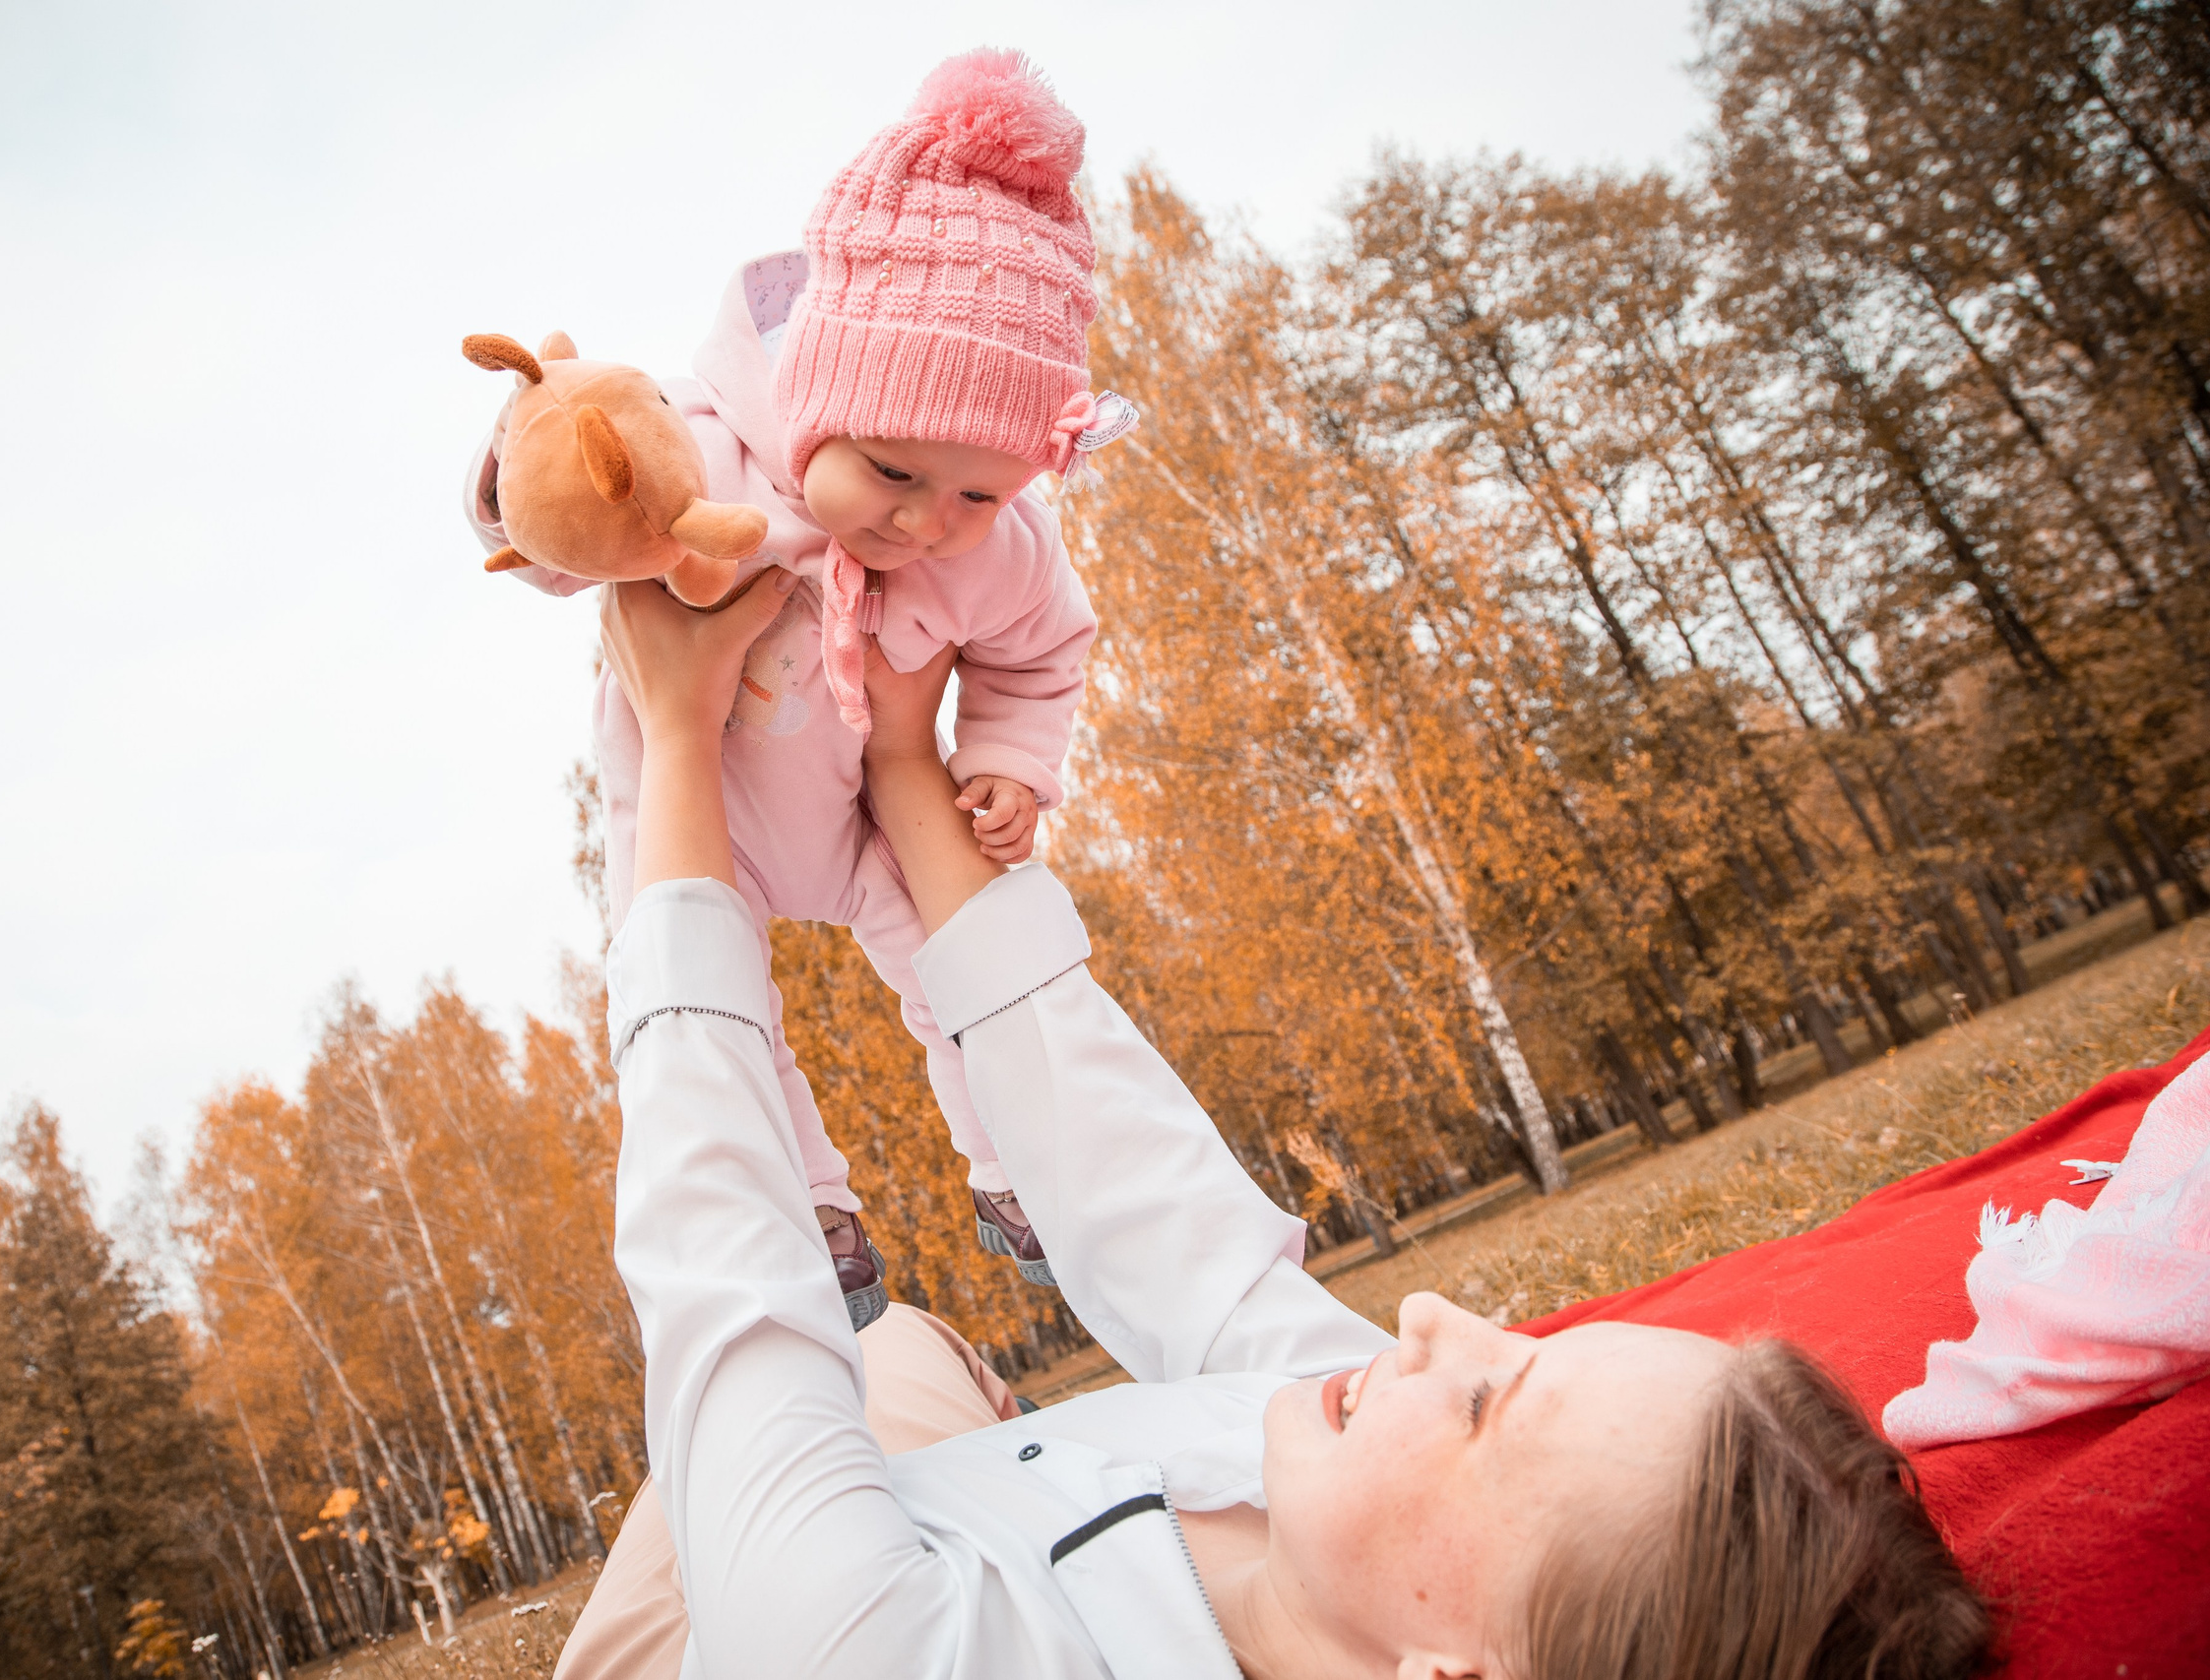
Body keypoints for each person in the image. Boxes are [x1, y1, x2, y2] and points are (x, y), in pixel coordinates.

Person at [557, 571, 1993, 1680]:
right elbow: (1164, 1221)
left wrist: (677, 741)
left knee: (813, 1373)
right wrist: (905, 767)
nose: (1433, 1318)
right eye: (1524, 1349)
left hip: (715, 1623)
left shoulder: (881, 1657)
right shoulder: (1358, 1501)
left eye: (1492, 1404)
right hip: (937, 1496)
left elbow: (731, 1285)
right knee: (899, 1346)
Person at [464, 49, 1137, 1320]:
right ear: (817, 402)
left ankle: (1022, 1169)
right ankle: (810, 1210)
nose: (932, 525)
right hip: (694, 799)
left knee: (959, 961)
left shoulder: (999, 544)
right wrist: (527, 469)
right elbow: (575, 530)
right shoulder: (703, 451)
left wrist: (1007, 759)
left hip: (863, 810)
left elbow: (1044, 646)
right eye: (892, 473)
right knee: (710, 987)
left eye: (977, 491)